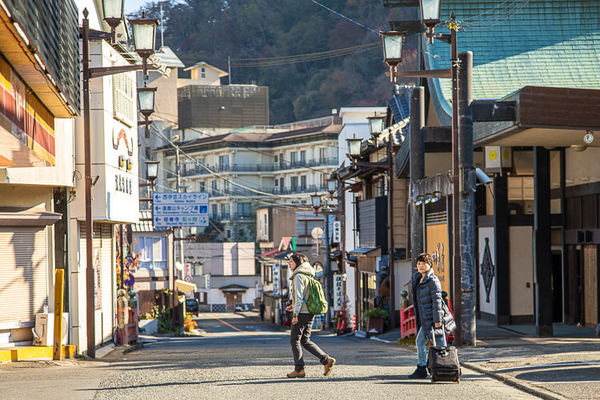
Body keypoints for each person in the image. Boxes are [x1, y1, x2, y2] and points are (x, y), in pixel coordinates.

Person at [285, 253, 336, 378]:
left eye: (291, 261)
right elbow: (304, 296)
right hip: (310, 312)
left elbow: (298, 296)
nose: (289, 264)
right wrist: (293, 306)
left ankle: (299, 369)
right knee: (305, 340)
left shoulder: (298, 276)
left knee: (295, 340)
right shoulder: (308, 275)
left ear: (298, 263)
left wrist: (295, 314)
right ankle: (326, 360)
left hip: (301, 313)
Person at [408, 252, 447, 379]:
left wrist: (437, 320)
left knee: (421, 341)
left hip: (432, 318)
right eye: (419, 263)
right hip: (424, 317)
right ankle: (444, 368)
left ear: (430, 265)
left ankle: (423, 368)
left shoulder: (432, 280)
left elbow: (437, 302)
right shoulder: (417, 278)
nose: (421, 266)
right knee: (440, 344)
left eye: (424, 263)